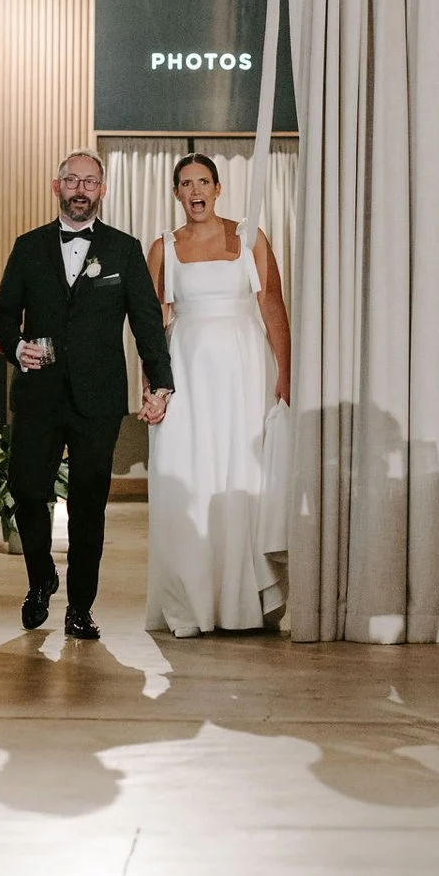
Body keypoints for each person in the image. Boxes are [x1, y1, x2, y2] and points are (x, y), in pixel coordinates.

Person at [0, 148, 174, 641]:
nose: (80, 190)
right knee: (27, 490)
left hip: (98, 399)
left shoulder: (123, 249)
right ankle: (40, 579)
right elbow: (2, 315)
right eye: (71, 181)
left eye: (90, 182)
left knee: (89, 505)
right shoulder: (28, 247)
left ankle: (79, 607)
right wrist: (17, 347)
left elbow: (146, 323)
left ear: (102, 190)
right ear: (57, 187)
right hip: (39, 394)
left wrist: (161, 381)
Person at [145, 153, 291, 639]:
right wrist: (152, 386)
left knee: (240, 473)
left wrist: (286, 373)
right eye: (185, 183)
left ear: (219, 187)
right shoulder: (163, 247)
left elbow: (272, 305)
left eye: (203, 181)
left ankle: (241, 599)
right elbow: (151, 324)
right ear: (176, 193)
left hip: (244, 372)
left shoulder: (250, 237)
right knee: (189, 474)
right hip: (187, 371)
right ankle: (194, 600)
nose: (195, 190)